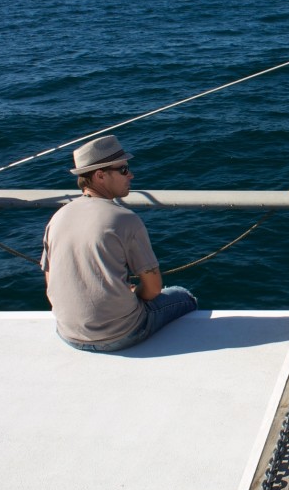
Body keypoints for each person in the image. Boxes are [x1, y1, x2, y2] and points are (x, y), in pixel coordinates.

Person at [41, 135, 197, 352]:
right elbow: (153, 289)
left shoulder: (58, 217)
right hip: (120, 334)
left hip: (68, 333)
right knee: (183, 296)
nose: (131, 175)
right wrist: (133, 295)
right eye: (123, 169)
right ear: (100, 175)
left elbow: (51, 279)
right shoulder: (125, 219)